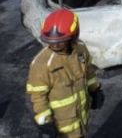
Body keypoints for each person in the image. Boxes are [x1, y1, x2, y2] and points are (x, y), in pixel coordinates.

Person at [26, 9, 104, 138]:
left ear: (73, 36)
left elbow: (88, 71)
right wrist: (44, 122)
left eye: (60, 41)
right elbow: (37, 96)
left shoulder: (80, 50)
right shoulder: (42, 64)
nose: (55, 45)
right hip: (60, 127)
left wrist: (95, 90)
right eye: (50, 41)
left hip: (80, 119)